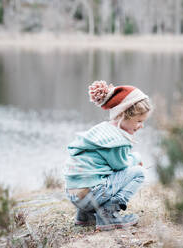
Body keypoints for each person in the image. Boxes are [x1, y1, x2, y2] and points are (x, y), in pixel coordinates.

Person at [64, 80, 152, 231]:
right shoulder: (117, 139)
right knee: (139, 173)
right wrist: (136, 158)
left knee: (97, 171)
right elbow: (121, 166)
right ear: (123, 115)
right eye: (139, 121)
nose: (141, 126)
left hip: (74, 194)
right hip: (90, 196)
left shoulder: (102, 130)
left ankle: (85, 215)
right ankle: (109, 214)